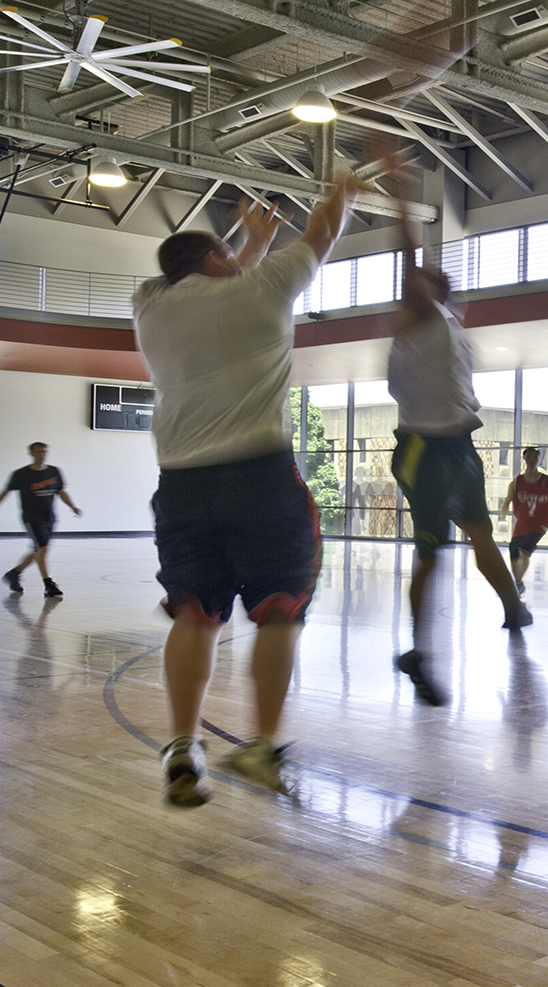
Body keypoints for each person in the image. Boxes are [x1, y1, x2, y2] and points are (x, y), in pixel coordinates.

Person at [133, 175, 358, 808]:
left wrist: (246, 245)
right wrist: (339, 188)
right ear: (215, 260)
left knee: (194, 613)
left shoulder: (150, 305)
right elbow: (324, 232)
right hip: (259, 478)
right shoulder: (263, 290)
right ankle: (259, 745)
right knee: (281, 609)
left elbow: (206, 281)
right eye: (229, 256)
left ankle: (182, 744)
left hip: (180, 485)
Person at [390, 252, 533, 709]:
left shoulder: (451, 326)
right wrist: (402, 199)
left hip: (461, 448)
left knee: (482, 535)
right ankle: (418, 650)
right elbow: (411, 263)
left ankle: (514, 609)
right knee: (431, 554)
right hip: (424, 451)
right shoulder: (420, 322)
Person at [0, 441, 80, 598]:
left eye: (44, 451)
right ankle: (49, 584)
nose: (41, 454)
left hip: (49, 517)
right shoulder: (21, 474)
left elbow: (61, 491)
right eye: (38, 451)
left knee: (38, 550)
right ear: (31, 454)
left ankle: (14, 573)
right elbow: (5, 493)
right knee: (42, 549)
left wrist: (73, 507)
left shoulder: (54, 471)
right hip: (31, 517)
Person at [501, 446, 548, 594]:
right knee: (513, 549)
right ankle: (518, 581)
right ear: (524, 459)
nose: (533, 460)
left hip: (541, 522)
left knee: (524, 550)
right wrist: (504, 513)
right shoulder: (516, 483)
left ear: (539, 460)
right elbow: (507, 500)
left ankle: (518, 581)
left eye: (535, 457)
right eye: (530, 457)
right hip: (523, 522)